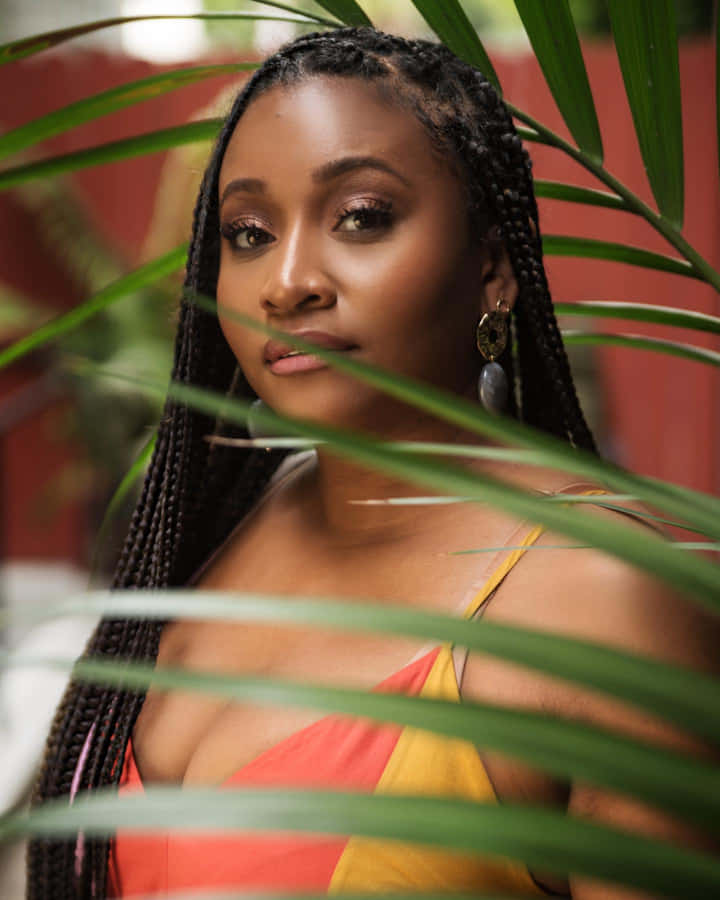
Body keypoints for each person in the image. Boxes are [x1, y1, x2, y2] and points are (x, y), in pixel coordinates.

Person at [27, 25, 719, 900]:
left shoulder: (602, 600)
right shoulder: (208, 536)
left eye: (360, 218)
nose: (286, 282)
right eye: (247, 232)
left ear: (494, 269)